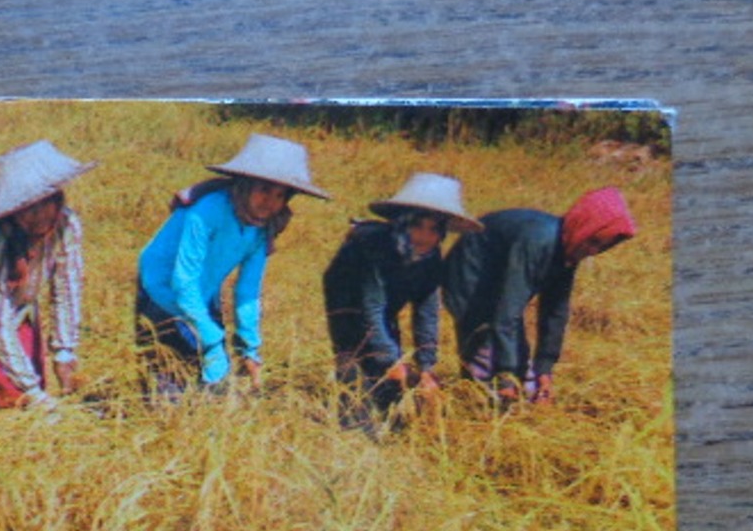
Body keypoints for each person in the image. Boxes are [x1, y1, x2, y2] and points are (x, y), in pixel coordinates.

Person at [137, 132, 330, 398]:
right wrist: (209, 336)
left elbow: (248, 291)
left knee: (216, 377)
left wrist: (249, 347)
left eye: (279, 195)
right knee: (169, 374)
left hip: (203, 290)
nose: (270, 202)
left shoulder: (263, 229)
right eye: (263, 190)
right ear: (246, 185)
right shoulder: (207, 211)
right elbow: (183, 280)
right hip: (160, 287)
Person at [442, 186, 636, 404]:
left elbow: (555, 311)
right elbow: (507, 313)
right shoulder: (538, 242)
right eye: (593, 241)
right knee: (484, 352)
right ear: (584, 226)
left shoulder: (570, 248)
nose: (593, 251)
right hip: (471, 276)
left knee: (523, 371)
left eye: (602, 246)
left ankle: (511, 390)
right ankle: (475, 406)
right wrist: (507, 378)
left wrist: (545, 370)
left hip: (499, 280)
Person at [322, 172, 483, 428]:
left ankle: (390, 413)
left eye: (433, 229)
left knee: (390, 373)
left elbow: (427, 311)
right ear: (402, 223)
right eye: (417, 226)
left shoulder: (431, 258)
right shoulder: (373, 248)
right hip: (347, 297)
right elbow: (370, 306)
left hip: (386, 306)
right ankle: (351, 417)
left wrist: (427, 365)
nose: (424, 236)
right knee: (356, 357)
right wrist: (391, 360)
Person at [0, 140, 94, 416]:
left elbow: (67, 288)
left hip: (23, 303)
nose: (36, 217)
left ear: (56, 199)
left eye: (42, 205)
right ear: (11, 212)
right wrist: (31, 392)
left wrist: (65, 351)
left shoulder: (67, 225)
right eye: (26, 209)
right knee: (7, 400)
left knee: (36, 385)